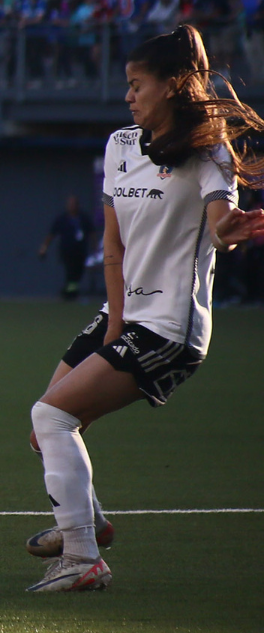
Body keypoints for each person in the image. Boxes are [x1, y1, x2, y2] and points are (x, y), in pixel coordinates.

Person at [25, 25, 264, 592]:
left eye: (138, 85)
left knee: (51, 417)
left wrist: (231, 231)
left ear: (174, 87)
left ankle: (83, 557)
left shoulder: (209, 155)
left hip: (171, 328)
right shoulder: (119, 145)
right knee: (48, 425)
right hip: (127, 316)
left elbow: (220, 225)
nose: (128, 95)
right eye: (127, 85)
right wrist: (112, 324)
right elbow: (113, 249)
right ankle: (90, 521)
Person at [38, 194, 95, 301]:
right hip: (67, 251)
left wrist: (95, 248)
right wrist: (44, 247)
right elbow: (51, 234)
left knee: (78, 272)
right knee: (70, 272)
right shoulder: (62, 219)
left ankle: (70, 292)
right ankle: (69, 294)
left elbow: (92, 233)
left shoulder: (83, 218)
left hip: (81, 251)